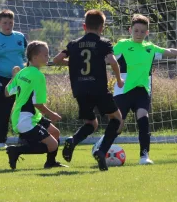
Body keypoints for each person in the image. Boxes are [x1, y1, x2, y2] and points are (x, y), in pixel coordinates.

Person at [113, 14, 177, 165]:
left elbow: (169, 51)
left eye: (142, 31)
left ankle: (144, 156)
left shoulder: (150, 48)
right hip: (123, 89)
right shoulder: (122, 45)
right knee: (118, 125)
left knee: (143, 118)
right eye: (136, 30)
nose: (139, 34)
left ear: (147, 33)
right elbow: (108, 55)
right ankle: (102, 147)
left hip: (142, 90)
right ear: (130, 30)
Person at [52, 9, 124, 171]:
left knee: (91, 123)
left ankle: (73, 140)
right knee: (117, 120)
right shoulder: (103, 43)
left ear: (84, 26)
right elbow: (112, 61)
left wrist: (74, 63)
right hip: (98, 88)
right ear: (102, 28)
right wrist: (119, 80)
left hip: (80, 89)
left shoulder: (73, 44)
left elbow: (57, 60)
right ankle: (102, 151)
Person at [4, 41, 67, 170]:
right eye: (45, 54)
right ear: (35, 57)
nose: (48, 57)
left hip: (28, 116)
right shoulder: (38, 76)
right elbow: (37, 103)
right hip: (25, 119)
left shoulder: (22, 72)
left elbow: (6, 92)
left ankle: (50, 162)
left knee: (55, 133)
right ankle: (16, 150)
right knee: (53, 145)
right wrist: (51, 114)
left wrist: (14, 77)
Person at [0, 9, 27, 149]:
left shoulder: (20, 37)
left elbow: (26, 57)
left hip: (21, 79)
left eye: (10, 22)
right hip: (2, 79)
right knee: (3, 110)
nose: (8, 25)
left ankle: (25, 138)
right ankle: (1, 140)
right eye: (5, 23)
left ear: (13, 22)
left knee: (25, 109)